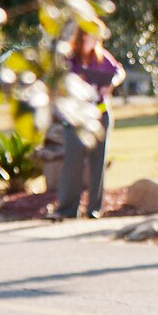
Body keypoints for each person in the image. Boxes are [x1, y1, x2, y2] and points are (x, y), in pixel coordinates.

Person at [51, 31, 125, 219]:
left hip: (100, 114)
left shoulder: (102, 57)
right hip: (75, 116)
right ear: (81, 37)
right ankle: (67, 209)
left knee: (97, 162)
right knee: (72, 161)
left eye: (95, 37)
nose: (91, 40)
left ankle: (93, 209)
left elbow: (119, 71)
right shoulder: (70, 58)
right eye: (88, 36)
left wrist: (112, 84)